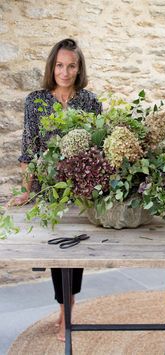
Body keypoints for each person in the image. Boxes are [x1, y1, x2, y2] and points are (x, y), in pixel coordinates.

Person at [8, 38, 102, 341]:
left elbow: (98, 147)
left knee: (77, 253)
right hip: (50, 191)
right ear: (53, 67)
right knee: (59, 253)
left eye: (71, 66)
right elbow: (29, 149)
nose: (65, 71)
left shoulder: (89, 102)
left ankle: (66, 313)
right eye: (60, 65)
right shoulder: (35, 100)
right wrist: (27, 190)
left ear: (78, 69)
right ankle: (66, 309)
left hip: (81, 189)